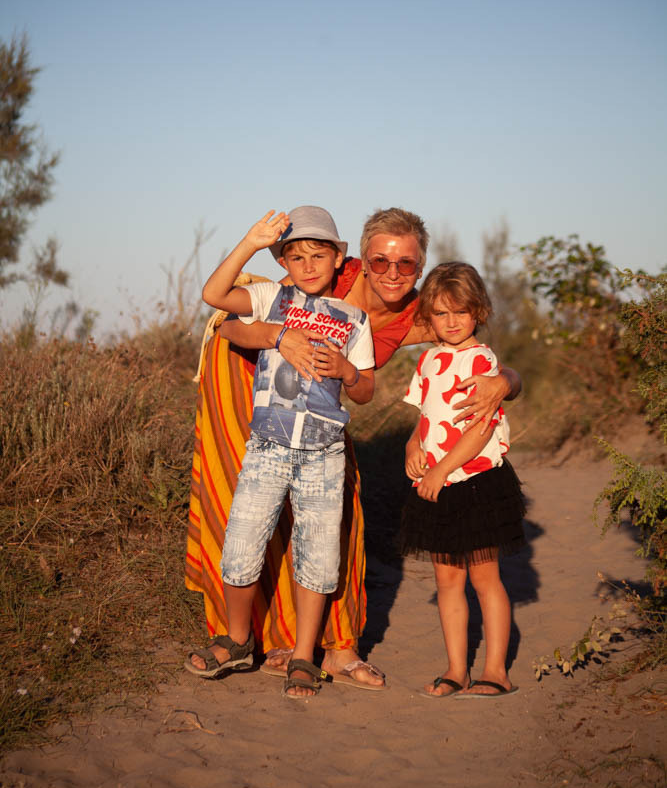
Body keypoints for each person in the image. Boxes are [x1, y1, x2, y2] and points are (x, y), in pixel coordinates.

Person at [185, 208, 521, 689]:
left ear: (420, 266)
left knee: (335, 522)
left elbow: (472, 346)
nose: (391, 273)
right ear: (360, 259)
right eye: (380, 261)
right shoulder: (327, 274)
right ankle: (256, 636)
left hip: (323, 412)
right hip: (253, 383)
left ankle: (333, 648)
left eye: (406, 264)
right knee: (253, 523)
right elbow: (232, 326)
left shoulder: (418, 314)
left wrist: (505, 381)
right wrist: (281, 336)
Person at [186, 207, 375, 698]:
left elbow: (366, 390)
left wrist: (347, 372)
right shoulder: (271, 298)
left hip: (324, 453)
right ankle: (237, 638)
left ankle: (304, 657)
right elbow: (214, 297)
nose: (308, 265)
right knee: (243, 542)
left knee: (317, 554)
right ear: (283, 262)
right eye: (296, 256)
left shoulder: (355, 320)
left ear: (338, 259)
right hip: (268, 447)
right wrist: (250, 242)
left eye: (319, 255)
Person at [401, 262, 526, 698]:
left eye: (460, 312)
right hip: (436, 485)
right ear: (427, 317)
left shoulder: (482, 361)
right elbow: (425, 418)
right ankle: (457, 669)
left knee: (484, 578)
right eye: (440, 313)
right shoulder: (428, 360)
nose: (451, 322)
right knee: (447, 581)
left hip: (475, 482)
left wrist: (442, 468)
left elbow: (482, 429)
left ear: (478, 311)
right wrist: (412, 449)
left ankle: (496, 670)